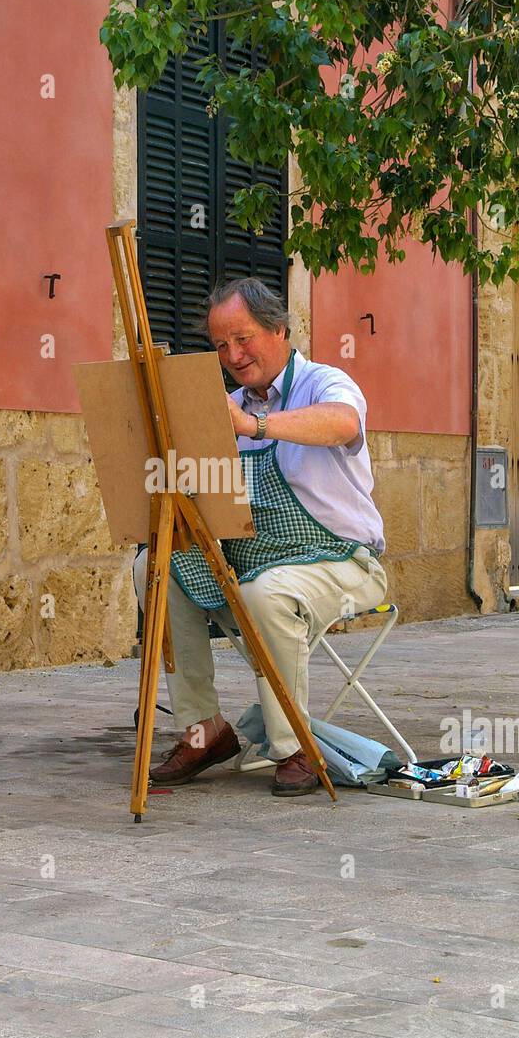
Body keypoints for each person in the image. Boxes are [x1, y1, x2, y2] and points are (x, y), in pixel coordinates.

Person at [133, 276, 387, 796]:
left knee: (264, 592)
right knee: (154, 565)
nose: (232, 354)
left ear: (279, 328)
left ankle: (294, 746)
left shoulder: (324, 382)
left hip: (342, 561)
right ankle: (205, 730)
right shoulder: (223, 404)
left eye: (243, 338)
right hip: (252, 560)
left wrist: (255, 426)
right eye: (221, 344)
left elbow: (341, 424)